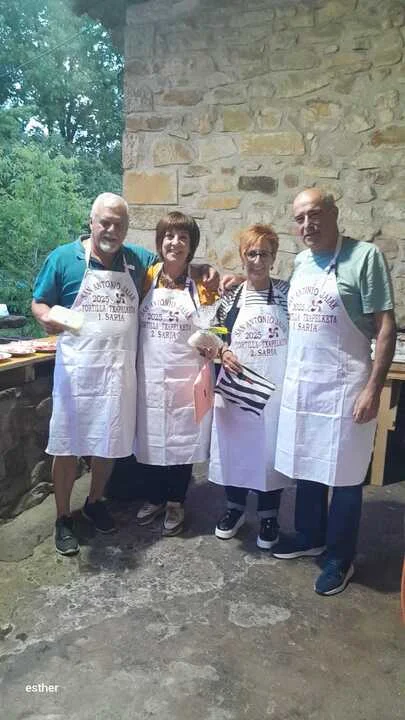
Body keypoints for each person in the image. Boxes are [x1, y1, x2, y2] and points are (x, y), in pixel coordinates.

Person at [32, 195, 218, 555]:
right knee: (67, 445)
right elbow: (38, 302)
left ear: (127, 228)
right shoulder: (63, 258)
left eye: (119, 224)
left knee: (110, 441)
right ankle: (63, 518)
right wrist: (45, 317)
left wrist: (204, 269)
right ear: (91, 221)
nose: (111, 230)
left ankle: (95, 502)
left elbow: (174, 262)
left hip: (119, 373)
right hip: (77, 374)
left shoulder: (136, 261)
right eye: (105, 222)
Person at [272, 188, 396, 595]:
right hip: (304, 385)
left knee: (344, 475)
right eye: (300, 218)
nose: (308, 225)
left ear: (334, 213)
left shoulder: (365, 257)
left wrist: (373, 388)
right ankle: (310, 535)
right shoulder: (301, 262)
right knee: (308, 463)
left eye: (315, 214)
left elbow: (385, 326)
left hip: (346, 388)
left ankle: (340, 558)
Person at [209, 224, 292, 549]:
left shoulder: (286, 294)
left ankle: (269, 516)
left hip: (275, 390)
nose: (257, 260)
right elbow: (214, 333)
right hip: (236, 391)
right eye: (251, 253)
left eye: (264, 254)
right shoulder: (230, 299)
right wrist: (223, 351)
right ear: (242, 256)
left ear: (274, 257)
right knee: (235, 450)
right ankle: (235, 508)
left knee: (269, 452)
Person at [135, 211, 217, 536]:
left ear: (191, 246)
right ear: (160, 242)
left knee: (183, 440)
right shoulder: (146, 277)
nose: (175, 242)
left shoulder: (202, 283)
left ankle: (175, 501)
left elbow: (215, 325)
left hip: (186, 376)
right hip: (150, 375)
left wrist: (211, 342)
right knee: (150, 437)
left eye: (183, 237)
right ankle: (155, 497)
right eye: (169, 236)